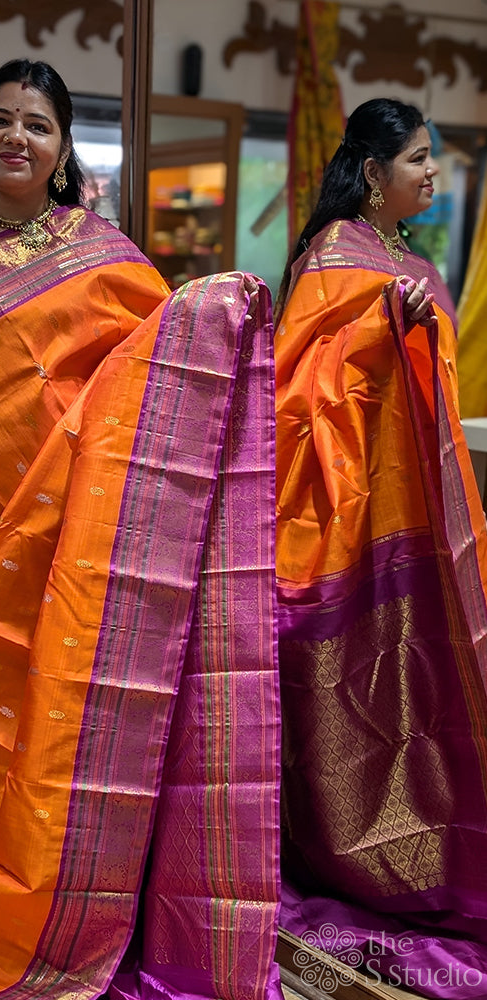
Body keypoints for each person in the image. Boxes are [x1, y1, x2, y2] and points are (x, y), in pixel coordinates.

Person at [0, 59, 281, 1000]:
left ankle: (74, 901)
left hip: (78, 534)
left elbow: (167, 353)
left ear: (60, 152)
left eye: (37, 125)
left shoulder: (103, 249)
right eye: (0, 119)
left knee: (66, 711)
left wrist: (232, 305)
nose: (16, 136)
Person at [274, 98, 487, 997]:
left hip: (417, 513)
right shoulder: (330, 257)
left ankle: (428, 841)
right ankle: (347, 851)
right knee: (355, 687)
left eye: (433, 160)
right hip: (344, 513)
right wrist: (378, 331)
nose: (433, 175)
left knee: (429, 685)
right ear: (373, 174)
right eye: (418, 160)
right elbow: (292, 385)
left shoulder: (417, 259)